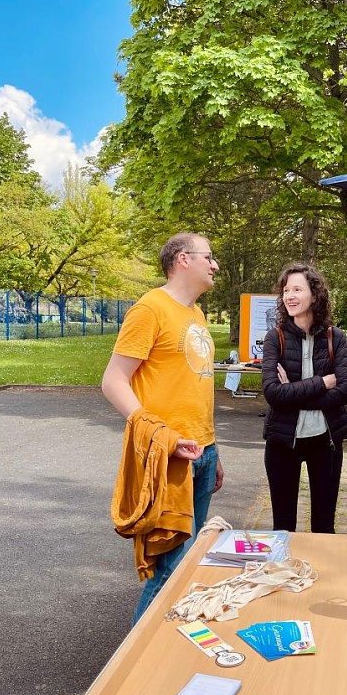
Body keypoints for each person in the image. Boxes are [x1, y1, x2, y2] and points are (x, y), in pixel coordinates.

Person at [102, 232, 224, 622]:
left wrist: (214, 451)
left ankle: (169, 643)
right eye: (209, 257)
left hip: (202, 453)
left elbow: (193, 388)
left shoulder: (197, 314)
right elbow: (113, 381)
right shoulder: (149, 309)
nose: (215, 265)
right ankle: (137, 657)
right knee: (170, 570)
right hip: (170, 457)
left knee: (188, 565)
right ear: (183, 259)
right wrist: (159, 435)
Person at [262, 262, 347, 533]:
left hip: (325, 443)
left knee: (324, 527)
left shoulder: (335, 338)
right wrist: (322, 383)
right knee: (283, 527)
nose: (289, 296)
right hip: (282, 442)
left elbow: (345, 390)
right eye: (285, 290)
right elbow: (273, 393)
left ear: (314, 295)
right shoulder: (274, 338)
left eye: (297, 289)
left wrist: (292, 392)